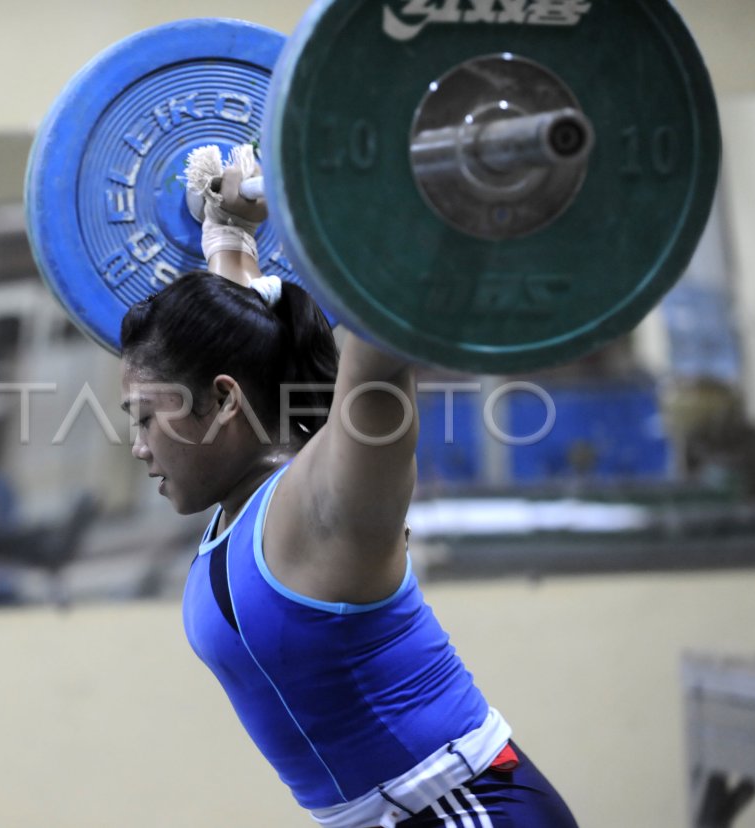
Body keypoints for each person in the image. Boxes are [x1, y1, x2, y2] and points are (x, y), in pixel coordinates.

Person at [118, 146, 578, 827]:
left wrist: (311, 193)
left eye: (146, 418)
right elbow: (239, 344)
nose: (137, 446)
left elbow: (383, 326)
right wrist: (228, 232)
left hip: (465, 811)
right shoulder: (242, 503)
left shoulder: (328, 501)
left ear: (220, 404)